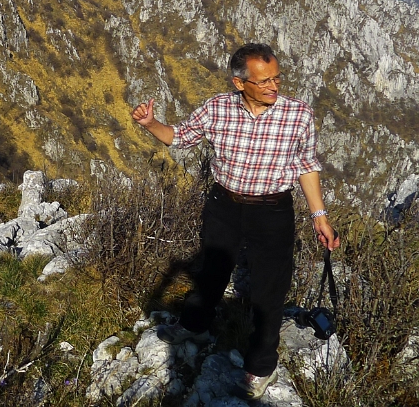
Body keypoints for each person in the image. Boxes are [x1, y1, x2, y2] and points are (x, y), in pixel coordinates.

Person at [130, 43, 340, 399]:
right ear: (240, 83)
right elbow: (178, 137)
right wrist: (151, 123)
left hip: (272, 211)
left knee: (268, 291)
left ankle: (260, 366)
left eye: (277, 78)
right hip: (224, 205)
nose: (274, 87)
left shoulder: (297, 114)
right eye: (264, 81)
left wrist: (319, 215)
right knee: (212, 272)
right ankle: (195, 327)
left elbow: (307, 165)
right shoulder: (218, 108)